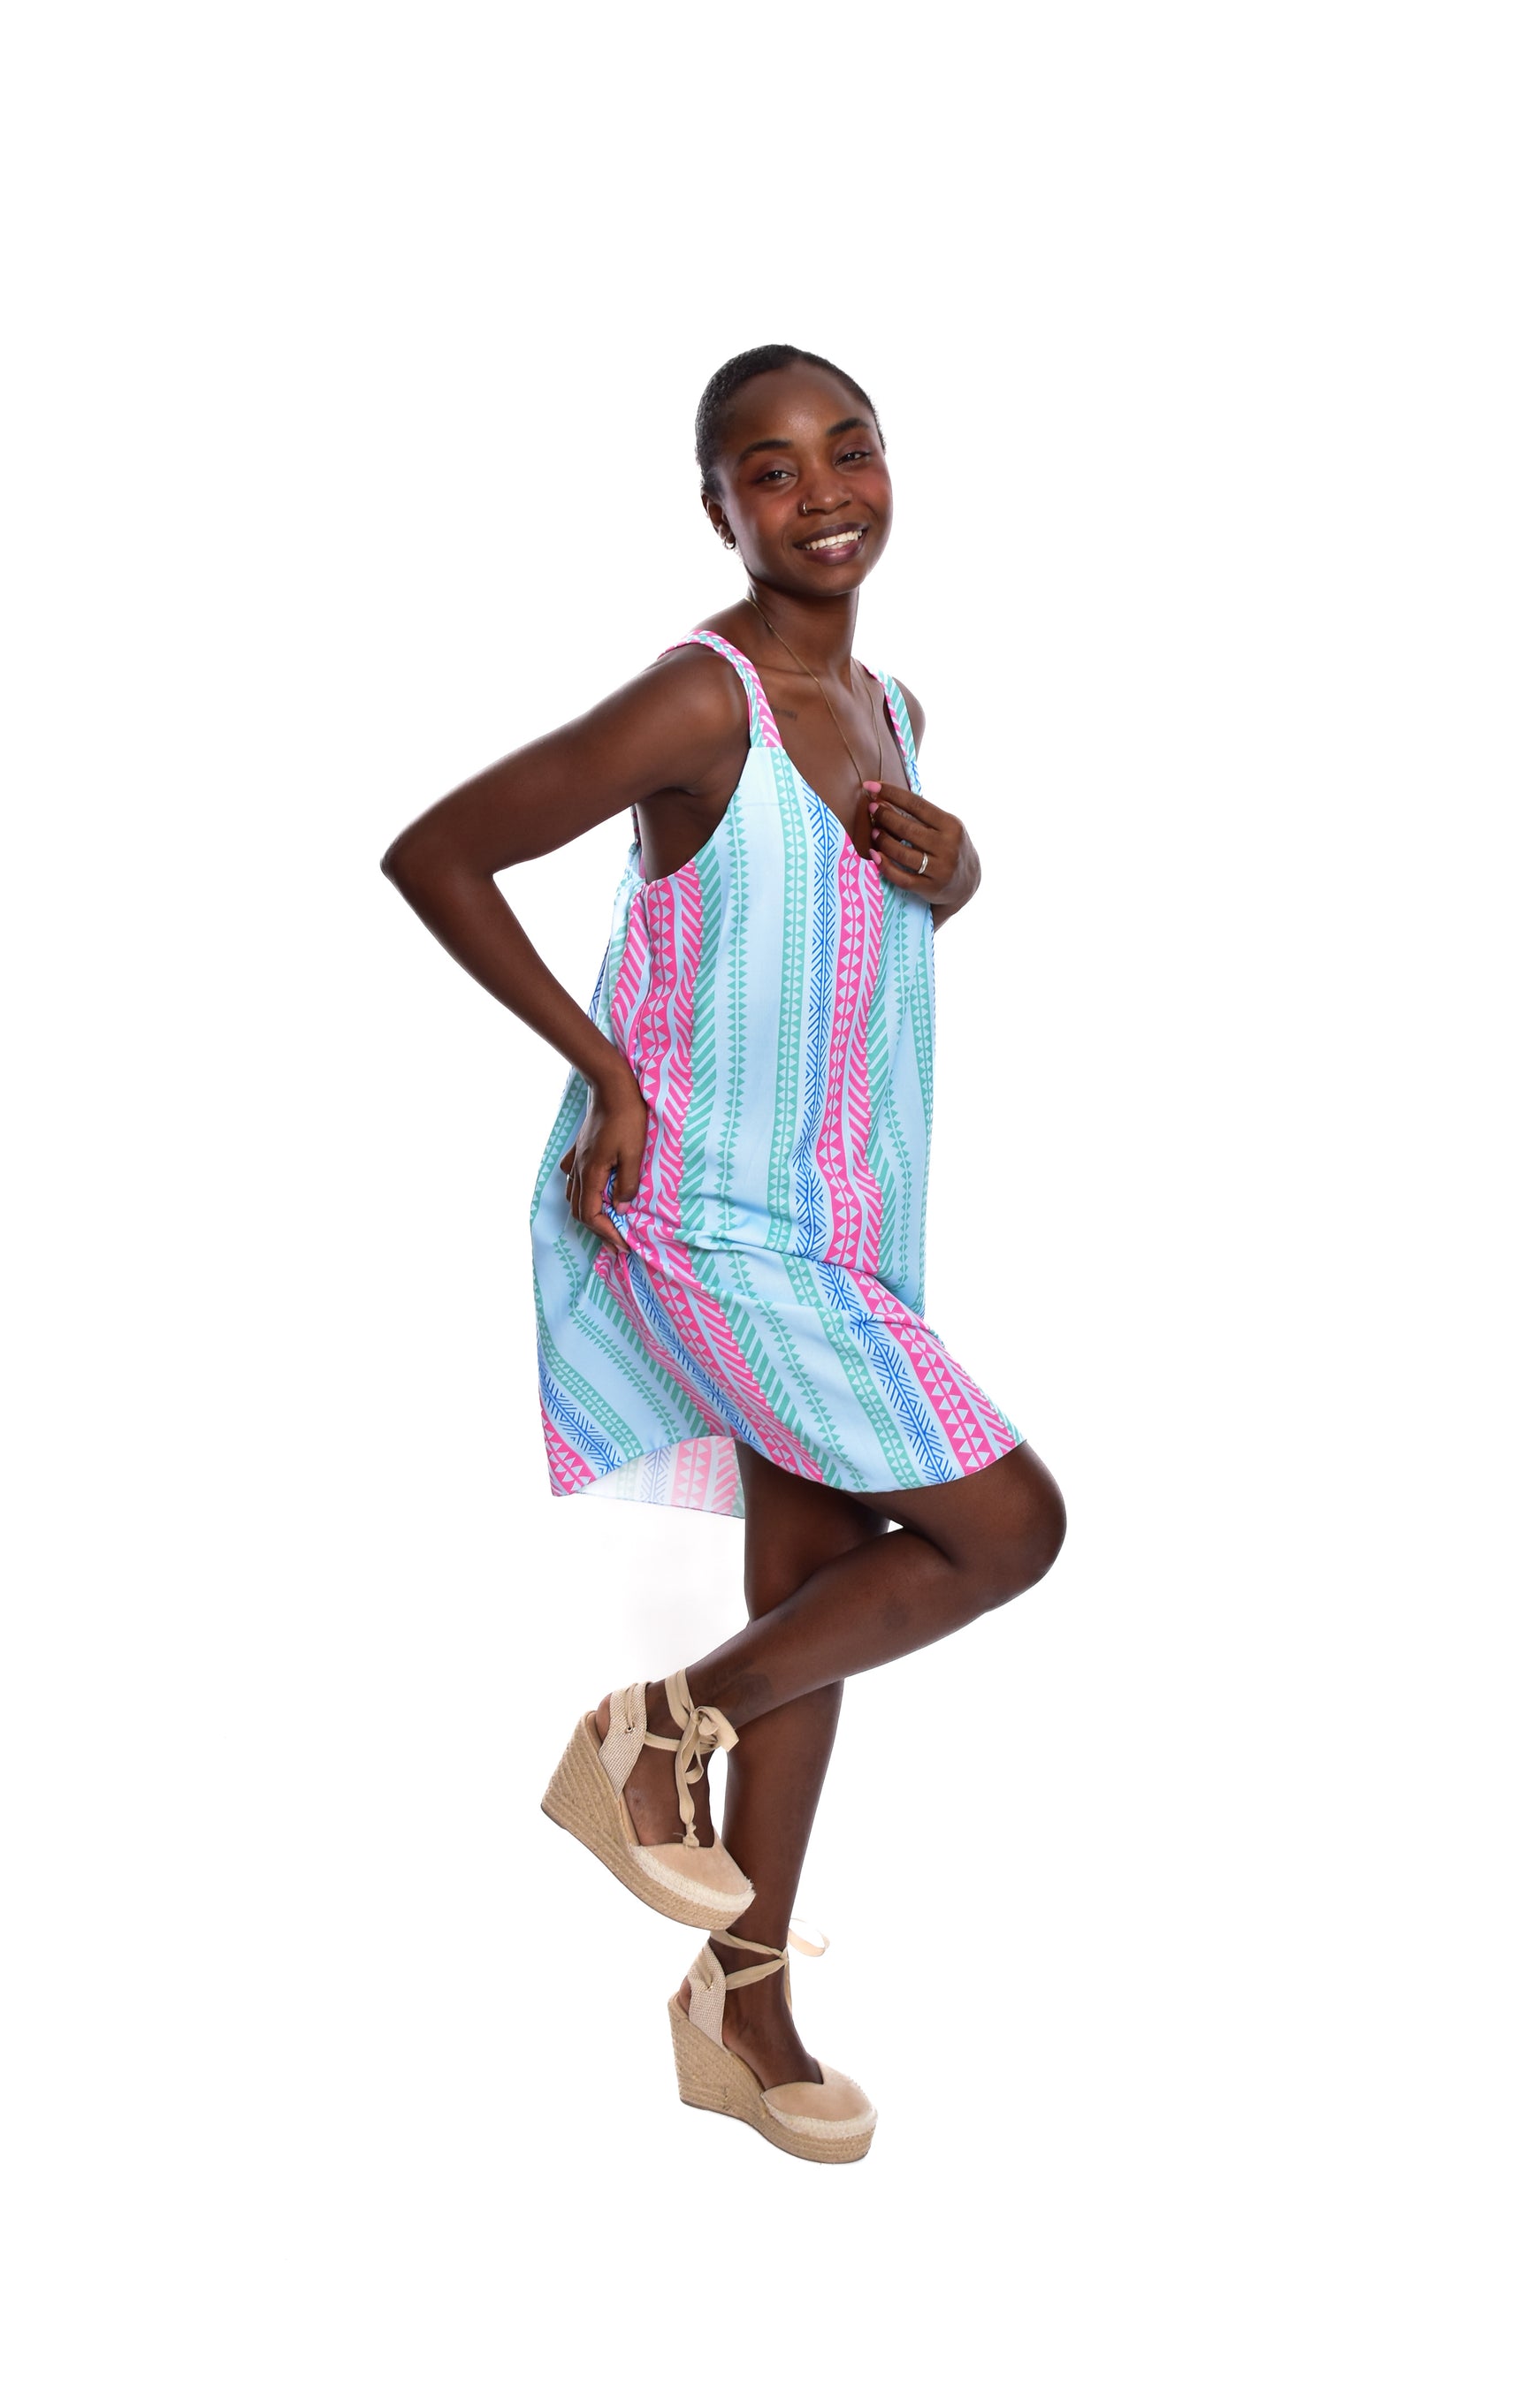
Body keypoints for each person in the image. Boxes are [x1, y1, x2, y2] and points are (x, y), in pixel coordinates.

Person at [381, 344, 1066, 2161]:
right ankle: (653, 1731)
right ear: (718, 510)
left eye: (849, 448)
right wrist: (603, 1070)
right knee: (1010, 1528)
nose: (820, 490)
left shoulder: (894, 709)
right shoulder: (704, 701)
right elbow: (436, 852)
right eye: (769, 469)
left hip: (851, 1218)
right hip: (707, 1215)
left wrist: (956, 876)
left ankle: (739, 2014)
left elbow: (849, 922)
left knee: (816, 1583)